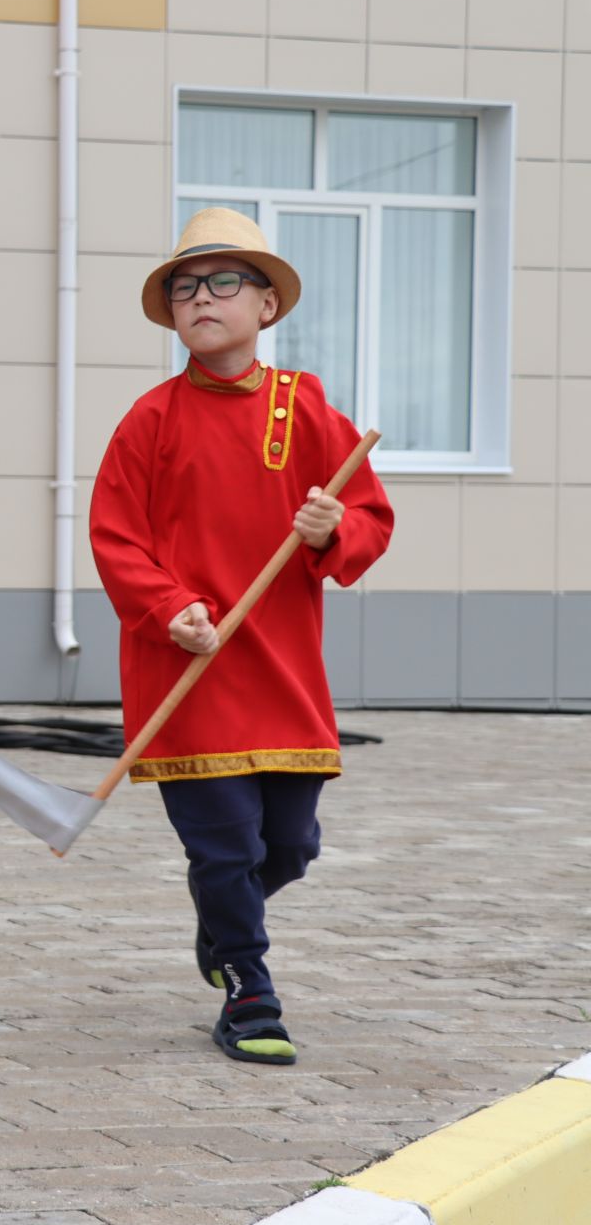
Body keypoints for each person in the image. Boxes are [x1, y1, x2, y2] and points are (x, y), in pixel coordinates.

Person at [90, 207, 393, 1066]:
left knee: (290, 846)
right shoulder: (148, 420)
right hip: (186, 665)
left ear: (267, 306)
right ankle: (249, 990)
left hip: (283, 670)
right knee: (224, 844)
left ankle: (227, 922)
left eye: (224, 282)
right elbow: (116, 537)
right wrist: (169, 606)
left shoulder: (308, 408)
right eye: (186, 287)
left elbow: (370, 521)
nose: (201, 299)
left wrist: (336, 524)